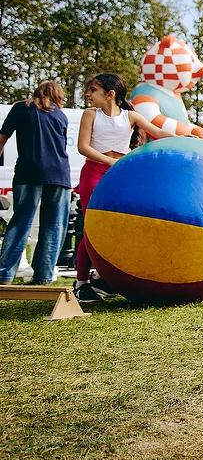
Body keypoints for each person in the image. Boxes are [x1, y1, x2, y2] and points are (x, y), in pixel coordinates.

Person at [73, 73, 176, 301]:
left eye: (93, 90)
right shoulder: (90, 114)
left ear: (110, 94)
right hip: (94, 174)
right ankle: (81, 283)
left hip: (119, 176)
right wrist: (109, 161)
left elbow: (157, 132)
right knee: (93, 228)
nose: (88, 95)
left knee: (121, 226)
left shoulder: (130, 116)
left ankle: (101, 277)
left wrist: (183, 138)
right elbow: (82, 147)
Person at [0, 82, 72, 286]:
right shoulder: (61, 115)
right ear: (58, 95)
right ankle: (43, 276)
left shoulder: (21, 107)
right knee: (54, 225)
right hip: (59, 175)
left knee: (21, 221)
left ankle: (4, 275)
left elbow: (1, 139)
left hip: (29, 172)